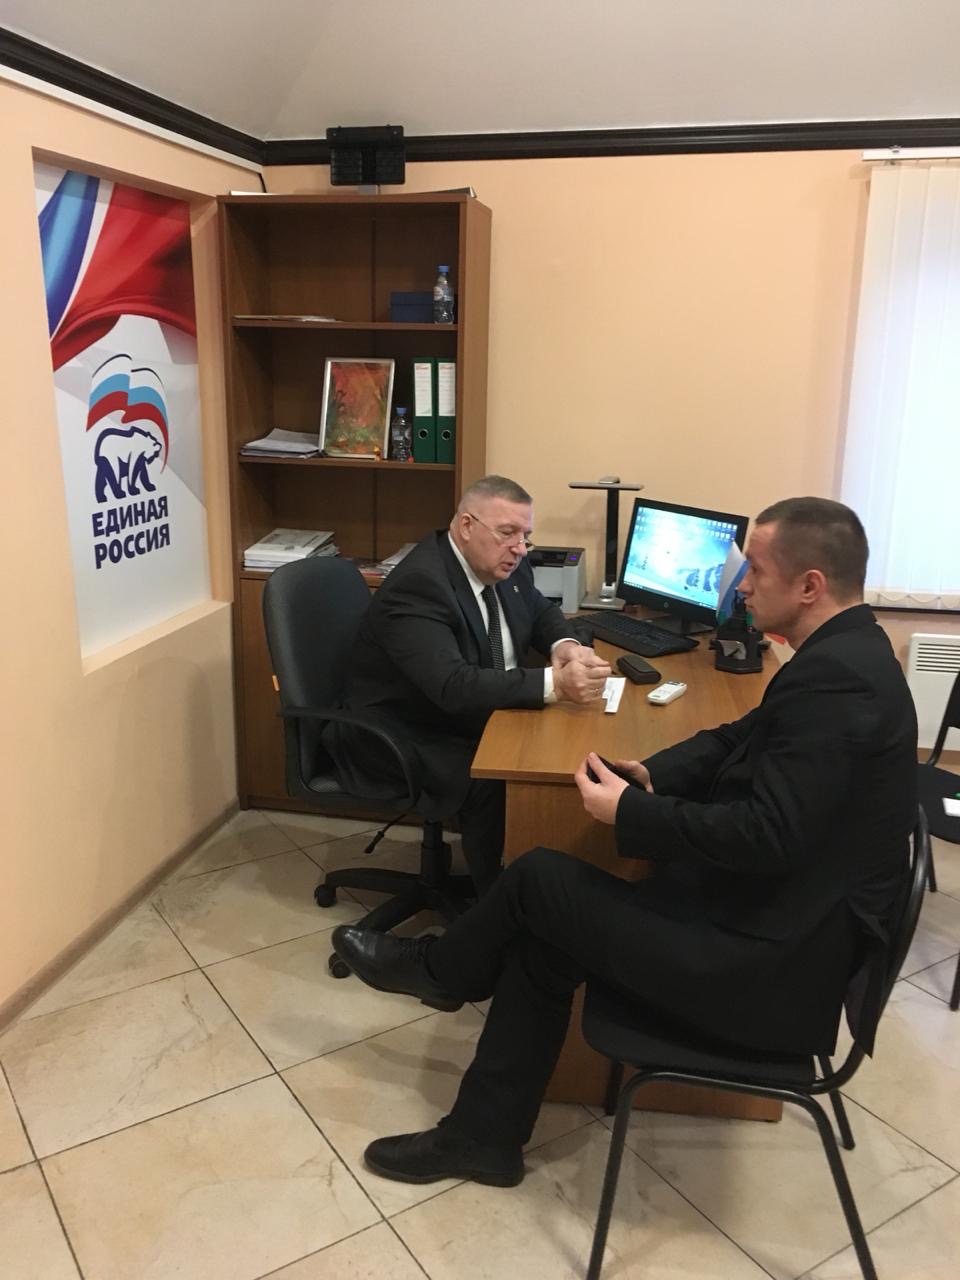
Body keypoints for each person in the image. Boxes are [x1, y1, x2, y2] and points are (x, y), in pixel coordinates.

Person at [331, 496, 918, 1189]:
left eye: (755, 571)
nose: (740, 587)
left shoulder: (842, 683)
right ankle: (482, 1140)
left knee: (539, 878)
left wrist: (632, 813)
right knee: (545, 933)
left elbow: (767, 835)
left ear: (810, 585)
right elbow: (739, 737)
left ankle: (440, 972)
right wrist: (650, 774)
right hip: (772, 925)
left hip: (767, 970)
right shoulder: (845, 653)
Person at [328, 474, 612, 893]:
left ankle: (548, 885)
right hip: (403, 731)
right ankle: (494, 902)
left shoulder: (506, 563)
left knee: (570, 749)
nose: (520, 548)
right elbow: (452, 686)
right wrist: (555, 683)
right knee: (498, 777)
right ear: (466, 526)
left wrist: (564, 645)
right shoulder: (420, 585)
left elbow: (538, 610)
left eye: (525, 536)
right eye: (507, 533)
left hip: (468, 710)